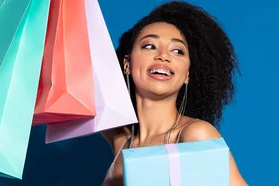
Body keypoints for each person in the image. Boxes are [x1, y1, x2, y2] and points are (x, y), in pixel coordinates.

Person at [101, 1, 248, 185]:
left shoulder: (195, 135)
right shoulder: (122, 141)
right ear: (127, 63)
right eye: (149, 46)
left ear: (187, 74)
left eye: (177, 51)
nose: (163, 56)